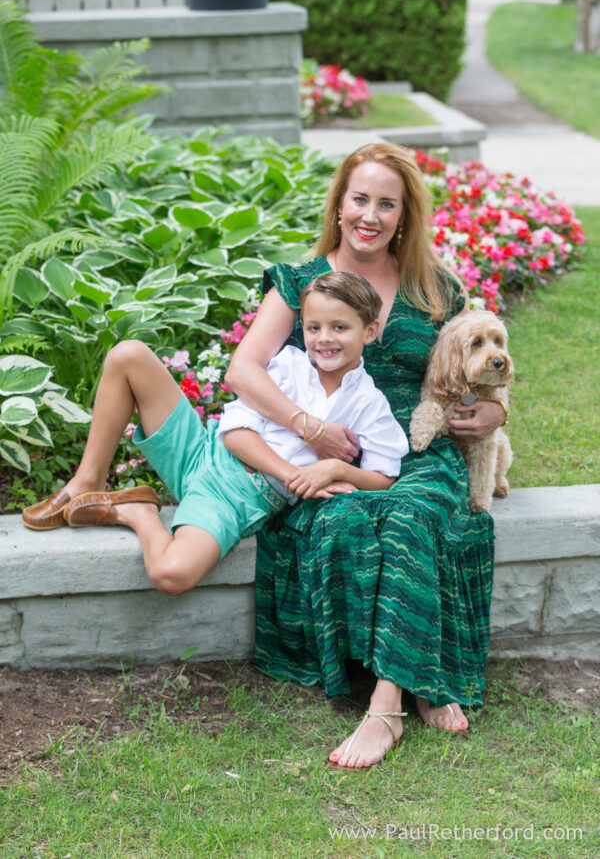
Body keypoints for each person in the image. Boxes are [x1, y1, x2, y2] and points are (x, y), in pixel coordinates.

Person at [225, 143, 508, 769]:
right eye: (360, 199)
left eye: (387, 203)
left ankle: (387, 709)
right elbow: (242, 370)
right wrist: (310, 428)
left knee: (411, 515)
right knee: (349, 517)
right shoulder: (302, 282)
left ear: (404, 214)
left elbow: (483, 366)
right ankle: (425, 680)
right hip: (326, 443)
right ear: (340, 204)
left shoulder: (436, 288)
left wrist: (495, 412)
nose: (370, 215)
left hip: (423, 446)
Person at [22, 272, 409, 601]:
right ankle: (88, 480)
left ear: (370, 330)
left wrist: (331, 470)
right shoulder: (289, 367)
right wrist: (296, 473)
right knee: (128, 355)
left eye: (339, 327)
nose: (324, 339)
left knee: (170, 575)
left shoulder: (369, 404)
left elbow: (383, 477)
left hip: (236, 498)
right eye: (313, 327)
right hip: (200, 450)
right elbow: (235, 437)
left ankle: (138, 512)